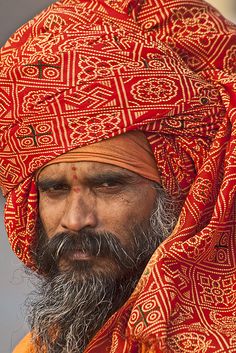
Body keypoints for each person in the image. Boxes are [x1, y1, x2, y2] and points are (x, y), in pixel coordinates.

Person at [0, 0, 235, 352]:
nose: (75, 220)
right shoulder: (43, 344)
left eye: (109, 184)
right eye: (55, 189)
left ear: (181, 187)